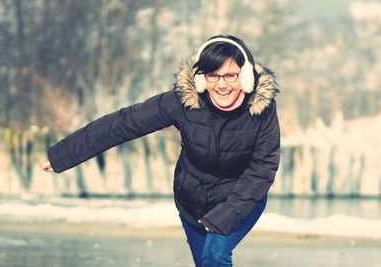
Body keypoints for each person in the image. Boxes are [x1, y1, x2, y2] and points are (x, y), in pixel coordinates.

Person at [42, 34, 280, 267]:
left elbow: (262, 170)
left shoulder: (261, 110)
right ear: (201, 79)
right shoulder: (184, 102)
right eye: (213, 76)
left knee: (214, 254)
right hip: (193, 202)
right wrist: (62, 155)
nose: (222, 85)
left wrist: (225, 216)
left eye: (231, 75)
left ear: (246, 76)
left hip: (241, 198)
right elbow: (124, 123)